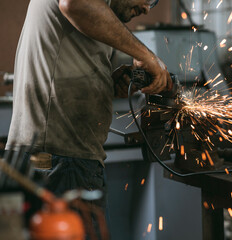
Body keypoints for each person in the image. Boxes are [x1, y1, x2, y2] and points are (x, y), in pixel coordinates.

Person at [6, 0, 171, 237]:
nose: (146, 8)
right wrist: (146, 55)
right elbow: (74, 3)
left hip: (61, 158)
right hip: (62, 160)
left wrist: (107, 82)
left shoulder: (100, 13)